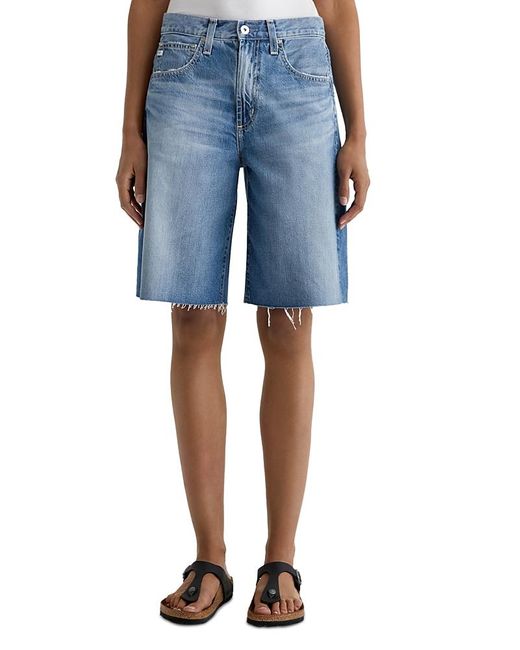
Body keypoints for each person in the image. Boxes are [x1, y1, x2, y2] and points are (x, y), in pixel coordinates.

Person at [116, 0, 369, 627]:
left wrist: (359, 134)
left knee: (288, 324)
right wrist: (129, 132)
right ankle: (210, 560)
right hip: (186, 71)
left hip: (297, 70)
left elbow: (338, 6)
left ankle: (280, 560)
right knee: (193, 318)